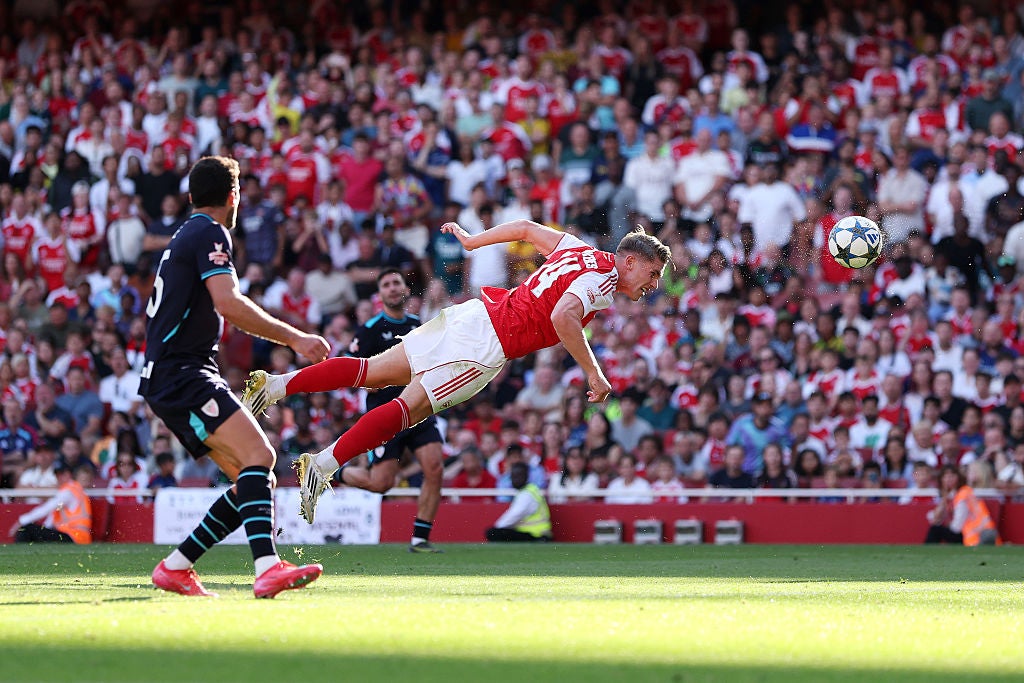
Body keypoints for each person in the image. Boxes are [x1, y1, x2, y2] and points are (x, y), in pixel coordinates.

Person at [243, 219, 671, 523]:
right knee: (407, 410)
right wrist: (594, 373)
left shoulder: (578, 248)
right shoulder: (604, 281)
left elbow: (525, 229)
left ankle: (276, 385)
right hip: (485, 347)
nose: (652, 286)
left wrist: (472, 242)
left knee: (372, 370)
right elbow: (563, 316)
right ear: (630, 261)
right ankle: (322, 465)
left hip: (476, 314)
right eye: (652, 275)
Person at [140, 156, 329, 599]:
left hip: (175, 373)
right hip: (183, 373)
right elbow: (229, 303)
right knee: (260, 455)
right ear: (233, 196)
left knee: (253, 478)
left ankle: (176, 567)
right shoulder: (210, 231)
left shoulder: (184, 234)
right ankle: (267, 569)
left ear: (191, 196)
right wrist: (295, 338)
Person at [333, 268, 446, 553]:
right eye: (386, 285)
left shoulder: (418, 325)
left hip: (419, 409)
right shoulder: (369, 330)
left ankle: (420, 539)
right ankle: (335, 475)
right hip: (386, 416)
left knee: (435, 467)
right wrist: (374, 381)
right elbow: (353, 372)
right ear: (380, 294)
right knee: (381, 483)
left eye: (397, 283)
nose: (393, 288)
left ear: (405, 289)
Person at [9, 462, 93, 544]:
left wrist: (22, 520)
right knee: (30, 530)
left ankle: (20, 552)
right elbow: (54, 512)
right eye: (57, 475)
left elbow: (48, 507)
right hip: (75, 536)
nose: (59, 478)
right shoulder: (73, 490)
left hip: (73, 536)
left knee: (26, 529)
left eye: (62, 474)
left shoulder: (69, 491)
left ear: (69, 474)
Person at [484, 462, 552, 542]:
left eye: (518, 476)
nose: (515, 480)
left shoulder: (526, 494)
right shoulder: (530, 490)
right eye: (513, 476)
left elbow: (514, 515)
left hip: (536, 535)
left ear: (526, 476)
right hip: (535, 533)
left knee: (492, 532)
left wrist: (497, 527)